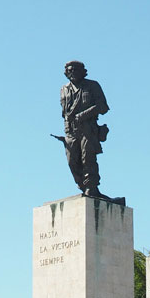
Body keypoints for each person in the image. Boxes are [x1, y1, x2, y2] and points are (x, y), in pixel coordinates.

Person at [60, 60, 111, 199]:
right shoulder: (64, 89)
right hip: (71, 131)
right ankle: (82, 185)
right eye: (69, 71)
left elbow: (103, 107)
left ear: (83, 72)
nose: (72, 73)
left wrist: (83, 115)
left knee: (88, 158)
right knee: (72, 161)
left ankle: (91, 187)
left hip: (88, 128)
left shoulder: (92, 86)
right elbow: (64, 113)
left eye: (75, 70)